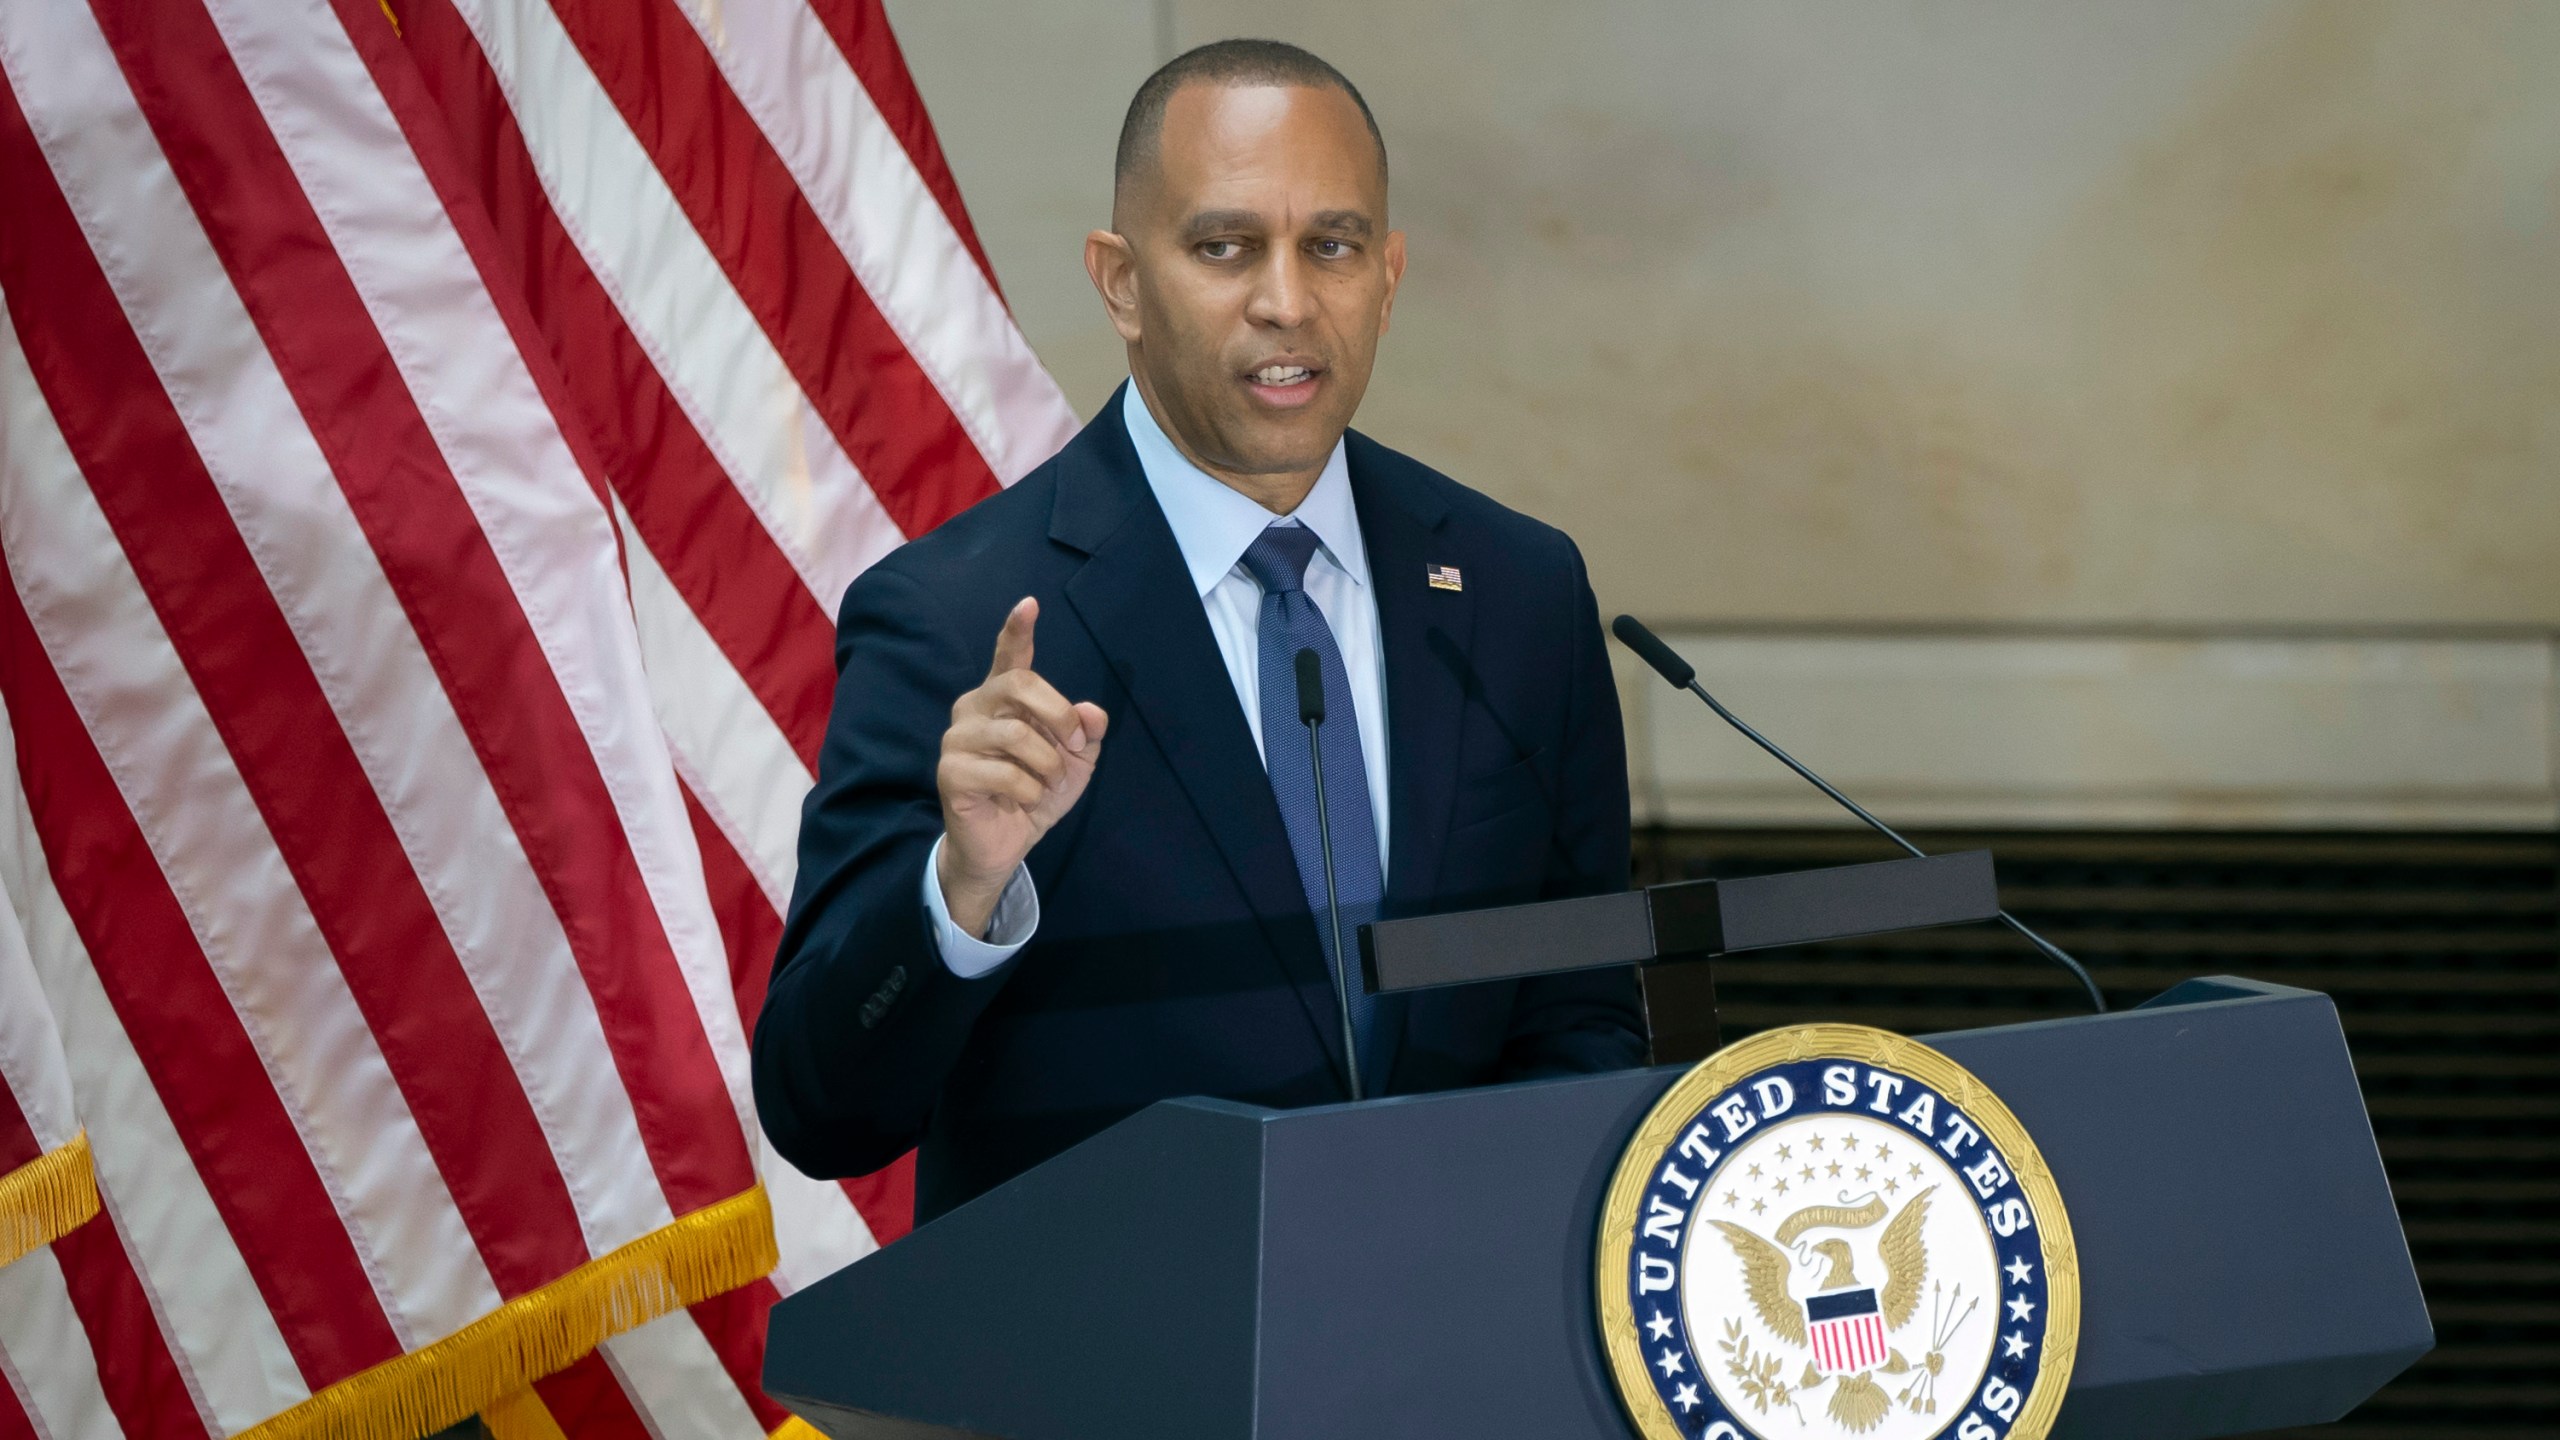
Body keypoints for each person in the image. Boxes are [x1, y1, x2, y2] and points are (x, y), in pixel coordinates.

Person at [754, 39, 1644, 1223]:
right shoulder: (957, 617)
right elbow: (824, 1109)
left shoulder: (1515, 588)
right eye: (1225, 248)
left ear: (1386, 276)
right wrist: (961, 890)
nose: (1285, 301)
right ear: (1120, 282)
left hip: (1448, 1338)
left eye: (1329, 246)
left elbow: (1578, 1013)